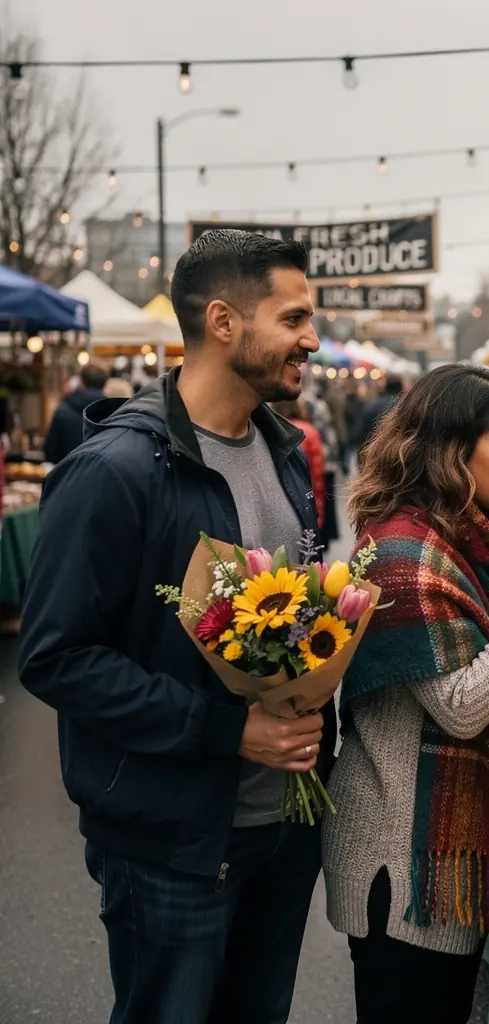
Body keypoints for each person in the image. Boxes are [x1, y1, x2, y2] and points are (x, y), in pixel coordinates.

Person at [19, 229, 331, 1024]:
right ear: (224, 322)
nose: (312, 338)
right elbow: (56, 657)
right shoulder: (114, 471)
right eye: (294, 318)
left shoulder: (283, 451)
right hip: (172, 841)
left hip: (281, 826)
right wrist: (226, 730)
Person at [322, 365, 489, 1024]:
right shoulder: (408, 558)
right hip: (403, 861)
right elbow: (461, 707)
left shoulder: (459, 541)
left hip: (431, 851)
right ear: (451, 450)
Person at [275, 398, 326, 528]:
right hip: (306, 499)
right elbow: (317, 474)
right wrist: (318, 507)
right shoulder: (309, 431)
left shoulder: (273, 431)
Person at [43, 361, 108, 464]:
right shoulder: (114, 412)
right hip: (103, 473)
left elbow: (50, 451)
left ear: (81, 382)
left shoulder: (63, 410)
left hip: (68, 473)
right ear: (105, 383)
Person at [353, 374, 403, 460]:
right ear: (401, 387)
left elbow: (360, 433)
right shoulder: (406, 407)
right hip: (399, 456)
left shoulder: (371, 406)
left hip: (373, 455)